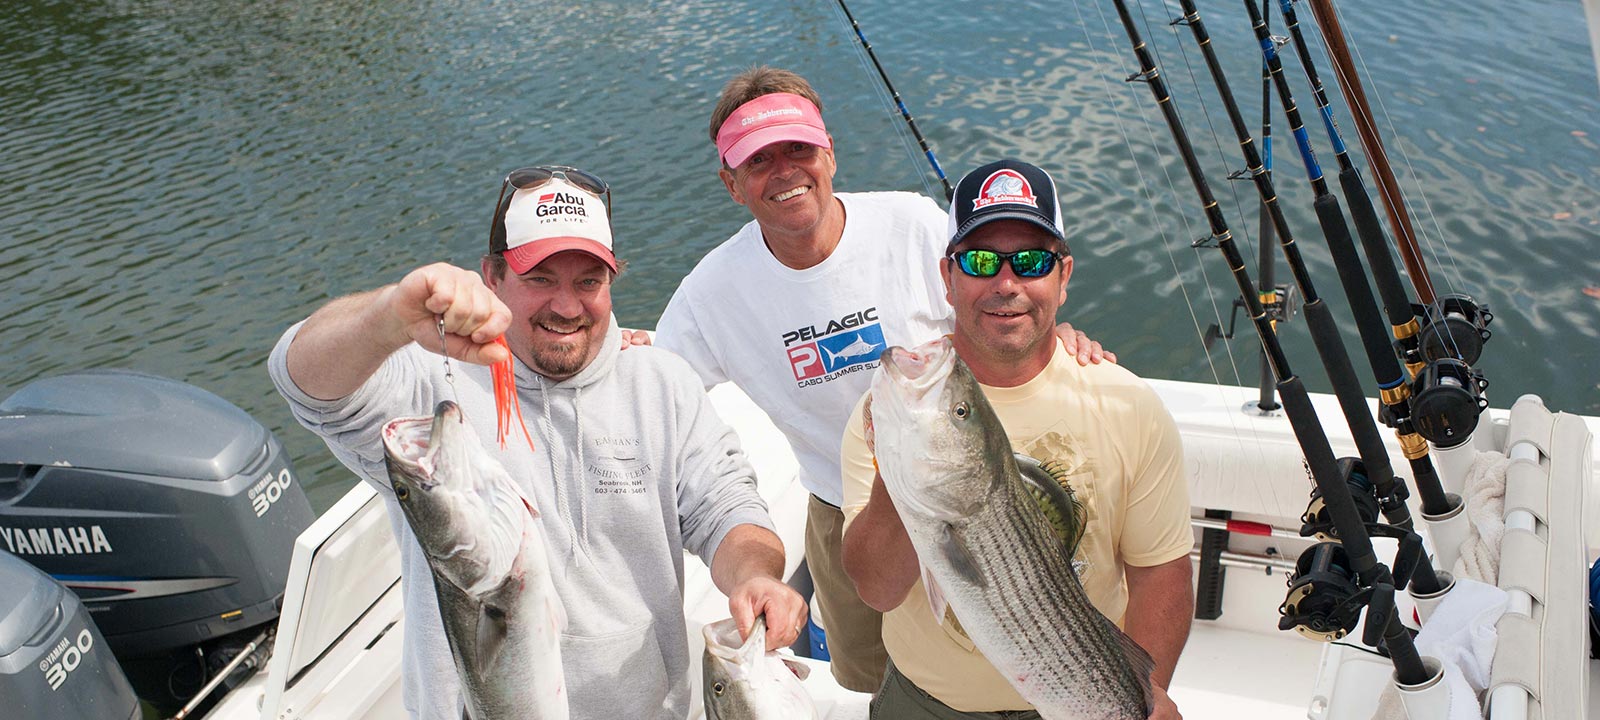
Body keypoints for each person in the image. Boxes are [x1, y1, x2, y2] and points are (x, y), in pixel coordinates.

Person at [268, 165, 806, 720]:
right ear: (491, 277)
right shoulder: (434, 379)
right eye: (540, 278)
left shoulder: (661, 383)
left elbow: (726, 507)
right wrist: (389, 318)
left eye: (588, 281)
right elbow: (303, 383)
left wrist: (754, 575)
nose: (567, 306)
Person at [648, 66, 1113, 694]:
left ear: (829, 153)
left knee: (1006, 674)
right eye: (759, 161)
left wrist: (1060, 336)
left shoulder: (914, 226)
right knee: (872, 685)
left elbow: (1008, 289)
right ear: (732, 184)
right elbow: (655, 391)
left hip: (979, 497)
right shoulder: (709, 296)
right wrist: (614, 349)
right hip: (848, 510)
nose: (785, 170)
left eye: (798, 148)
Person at [839, 159, 1192, 719]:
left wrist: (1145, 699)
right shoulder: (888, 413)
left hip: (1086, 697)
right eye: (980, 261)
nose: (1007, 284)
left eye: (1031, 262)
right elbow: (879, 591)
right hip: (927, 703)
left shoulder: (1131, 405)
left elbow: (1161, 573)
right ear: (948, 277)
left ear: (1064, 277)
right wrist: (898, 471)